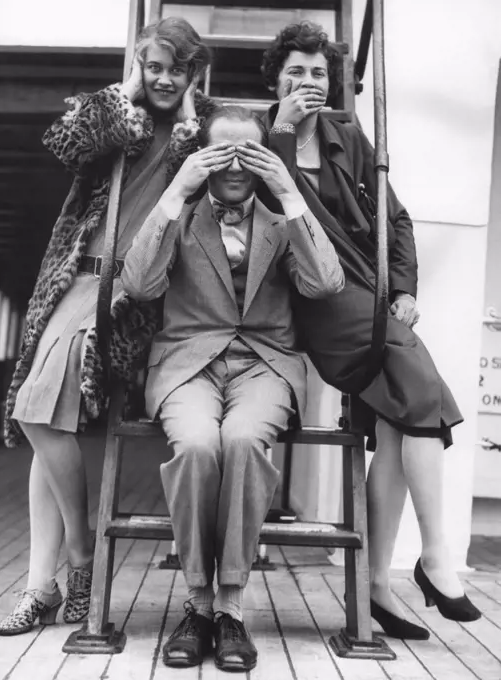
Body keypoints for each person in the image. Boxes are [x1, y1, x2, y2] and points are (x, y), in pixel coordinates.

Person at [257, 20, 482, 640]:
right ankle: (433, 559)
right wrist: (280, 131)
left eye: (319, 74)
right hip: (309, 296)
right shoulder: (256, 136)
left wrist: (406, 288)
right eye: (296, 72)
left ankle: (379, 583)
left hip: (368, 290)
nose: (309, 83)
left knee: (401, 418)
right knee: (421, 389)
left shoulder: (348, 136)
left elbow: (397, 218)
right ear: (276, 79)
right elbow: (267, 207)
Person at [0, 17, 216, 636]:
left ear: (195, 72)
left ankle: (77, 562)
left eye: (177, 69)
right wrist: (122, 98)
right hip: (76, 282)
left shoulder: (204, 129)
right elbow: (64, 143)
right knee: (45, 420)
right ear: (138, 68)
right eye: (154, 67)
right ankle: (50, 579)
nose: (165, 79)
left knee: (39, 413)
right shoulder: (117, 116)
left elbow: (212, 194)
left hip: (134, 295)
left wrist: (192, 124)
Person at [121, 105, 344, 671]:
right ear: (202, 155)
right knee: (198, 445)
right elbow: (140, 282)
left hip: (265, 366)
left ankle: (231, 608)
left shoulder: (280, 220)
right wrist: (179, 186)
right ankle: (196, 603)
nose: (235, 164)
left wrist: (287, 189)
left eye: (250, 151)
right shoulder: (180, 212)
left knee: (243, 441)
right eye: (223, 151)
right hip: (187, 364)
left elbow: (324, 283)